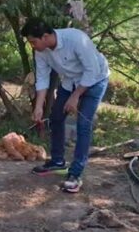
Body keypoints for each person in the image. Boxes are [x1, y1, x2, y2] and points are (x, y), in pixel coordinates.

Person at [21, 17, 109, 193]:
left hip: (96, 80)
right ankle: (57, 161)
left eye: (33, 41)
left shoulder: (76, 39)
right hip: (70, 82)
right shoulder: (41, 51)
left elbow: (92, 71)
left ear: (45, 36)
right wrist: (38, 106)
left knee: (83, 125)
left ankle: (75, 174)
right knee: (55, 118)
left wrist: (76, 96)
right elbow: (43, 78)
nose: (32, 46)